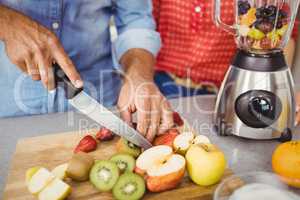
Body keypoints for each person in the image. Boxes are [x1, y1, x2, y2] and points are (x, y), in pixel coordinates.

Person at [0, 1, 173, 142]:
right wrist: (7, 22)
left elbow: (135, 20)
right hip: (8, 112)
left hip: (101, 103)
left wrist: (138, 74)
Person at [152, 0, 299, 120]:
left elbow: (281, 32)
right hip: (163, 84)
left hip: (222, 93)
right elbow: (146, 27)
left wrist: (281, 92)